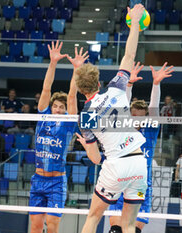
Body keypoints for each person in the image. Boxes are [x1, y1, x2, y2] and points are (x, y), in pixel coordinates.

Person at [74, 5, 147, 233]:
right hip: (138, 162)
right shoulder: (116, 87)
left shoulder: (85, 116)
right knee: (128, 225)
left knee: (93, 218)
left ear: (80, 90)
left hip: (116, 165)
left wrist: (86, 145)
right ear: (98, 83)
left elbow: (95, 159)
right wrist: (134, 21)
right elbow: (129, 55)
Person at [108, 61, 174, 233]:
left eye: (140, 117)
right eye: (133, 116)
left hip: (141, 185)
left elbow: (154, 109)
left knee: (133, 230)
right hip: (120, 183)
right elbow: (123, 105)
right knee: (115, 230)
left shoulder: (150, 131)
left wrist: (156, 83)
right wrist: (129, 84)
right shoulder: (123, 128)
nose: (136, 119)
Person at [29, 41, 84, 233]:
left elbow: (71, 96)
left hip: (56, 182)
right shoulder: (43, 116)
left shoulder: (68, 123)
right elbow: (46, 89)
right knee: (35, 227)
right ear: (51, 107)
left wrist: (76, 69)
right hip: (38, 179)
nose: (59, 109)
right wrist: (53, 63)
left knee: (52, 227)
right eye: (56, 106)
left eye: (61, 107)